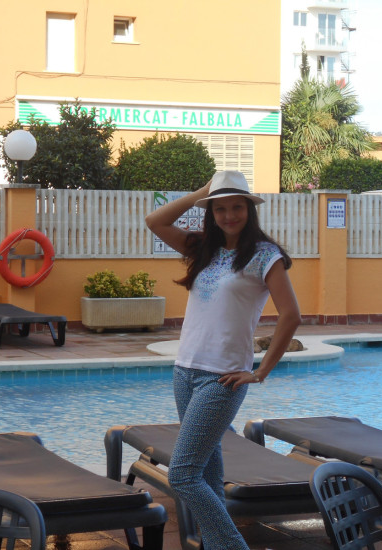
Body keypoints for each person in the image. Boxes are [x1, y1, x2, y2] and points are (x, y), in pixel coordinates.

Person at [145, 170, 301, 549]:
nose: (229, 215)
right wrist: (201, 192)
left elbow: (291, 315)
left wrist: (261, 371)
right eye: (220, 208)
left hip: (222, 378)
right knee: (207, 477)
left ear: (249, 209)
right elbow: (155, 221)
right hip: (185, 371)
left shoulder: (265, 256)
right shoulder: (205, 248)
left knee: (182, 475)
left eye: (237, 207)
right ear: (211, 213)